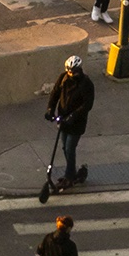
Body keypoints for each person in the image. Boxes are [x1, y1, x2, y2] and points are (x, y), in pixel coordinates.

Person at [45, 55, 95, 190]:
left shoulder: (86, 84)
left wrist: (73, 116)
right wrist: (50, 109)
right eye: (69, 71)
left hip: (76, 123)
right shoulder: (63, 78)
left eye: (73, 71)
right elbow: (55, 94)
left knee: (69, 148)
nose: (71, 74)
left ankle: (69, 177)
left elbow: (87, 105)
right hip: (63, 119)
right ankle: (71, 172)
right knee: (64, 147)